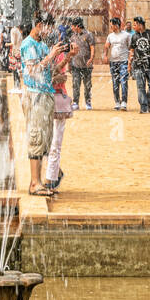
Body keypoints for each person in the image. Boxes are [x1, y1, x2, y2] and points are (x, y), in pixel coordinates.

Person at [20, 11, 65, 197]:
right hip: (35, 95)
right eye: (47, 27)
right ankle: (34, 182)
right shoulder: (28, 45)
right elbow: (32, 71)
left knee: (45, 138)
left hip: (46, 93)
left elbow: (49, 70)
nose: (49, 31)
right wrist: (51, 54)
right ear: (39, 25)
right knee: (37, 136)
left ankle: (39, 180)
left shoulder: (42, 45)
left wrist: (66, 58)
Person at [45, 56, 74, 193]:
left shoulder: (60, 55)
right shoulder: (39, 50)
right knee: (41, 144)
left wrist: (46, 79)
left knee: (55, 143)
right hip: (42, 102)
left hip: (57, 101)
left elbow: (61, 78)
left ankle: (50, 180)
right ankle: (55, 172)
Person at [129, 16, 150, 114]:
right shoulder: (134, 36)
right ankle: (144, 107)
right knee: (140, 86)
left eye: (135, 24)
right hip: (138, 65)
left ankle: (147, 102)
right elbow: (132, 51)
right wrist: (129, 64)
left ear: (140, 24)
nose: (133, 27)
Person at [104, 17, 132, 111]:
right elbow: (106, 46)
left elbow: (131, 48)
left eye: (112, 24)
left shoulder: (126, 35)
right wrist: (105, 55)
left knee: (124, 81)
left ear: (117, 25)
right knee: (115, 82)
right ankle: (117, 102)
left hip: (123, 61)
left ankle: (124, 102)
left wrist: (129, 61)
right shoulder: (110, 36)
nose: (111, 26)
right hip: (113, 62)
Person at [67, 18, 94, 111]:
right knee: (75, 84)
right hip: (76, 65)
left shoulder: (88, 35)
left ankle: (88, 102)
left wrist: (91, 58)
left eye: (73, 26)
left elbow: (92, 47)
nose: (71, 27)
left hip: (86, 65)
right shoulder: (72, 36)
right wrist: (69, 63)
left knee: (87, 85)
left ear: (77, 26)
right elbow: (71, 50)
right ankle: (75, 102)